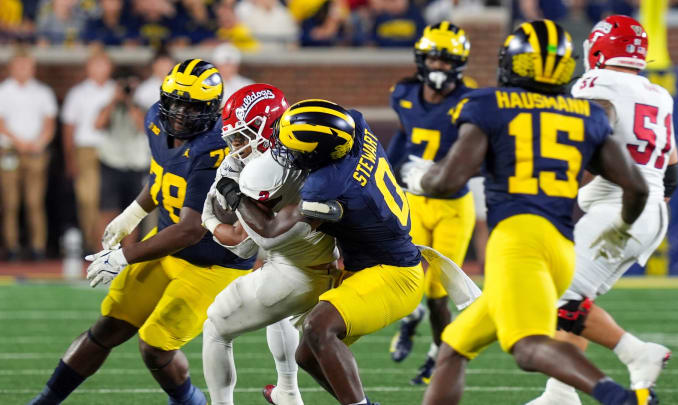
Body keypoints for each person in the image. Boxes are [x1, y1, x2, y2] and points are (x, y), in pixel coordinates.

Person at [408, 20, 657, 405]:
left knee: (526, 348)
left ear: (513, 63)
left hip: (517, 242)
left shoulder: (488, 105)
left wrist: (421, 178)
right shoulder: (586, 113)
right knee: (454, 347)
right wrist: (623, 227)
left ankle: (616, 397)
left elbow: (447, 181)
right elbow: (637, 186)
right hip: (560, 248)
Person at [29, 59, 255, 405]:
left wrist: (123, 256)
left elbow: (191, 230)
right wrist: (133, 213)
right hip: (168, 247)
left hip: (213, 263)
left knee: (154, 346)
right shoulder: (154, 120)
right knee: (108, 326)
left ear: (212, 108)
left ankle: (189, 400)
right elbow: (162, 180)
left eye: (191, 106)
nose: (179, 113)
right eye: (174, 102)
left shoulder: (215, 148)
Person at [527, 15, 677, 405]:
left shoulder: (596, 83)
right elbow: (671, 169)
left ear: (596, 48)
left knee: (559, 295)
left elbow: (598, 121)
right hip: (649, 209)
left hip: (621, 206)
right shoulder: (659, 94)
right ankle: (559, 393)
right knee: (576, 297)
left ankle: (636, 353)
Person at [235, 99, 423, 405]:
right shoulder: (356, 126)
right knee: (307, 355)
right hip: (380, 258)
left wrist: (234, 194)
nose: (283, 149)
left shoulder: (327, 185)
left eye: (292, 147)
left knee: (318, 328)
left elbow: (270, 233)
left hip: (393, 274)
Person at [200, 84, 342, 405]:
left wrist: (209, 220)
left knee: (215, 328)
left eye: (241, 137)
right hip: (332, 261)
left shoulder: (267, 172)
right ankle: (288, 392)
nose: (235, 146)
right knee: (278, 310)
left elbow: (242, 245)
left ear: (265, 130)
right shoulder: (309, 148)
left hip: (298, 273)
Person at [385, 21, 478, 385]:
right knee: (402, 276)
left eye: (446, 60)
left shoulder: (470, 102)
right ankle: (411, 318)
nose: (439, 66)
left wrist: (441, 171)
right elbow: (404, 135)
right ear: (422, 59)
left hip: (452, 205)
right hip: (413, 202)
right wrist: (390, 175)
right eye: (433, 59)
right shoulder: (405, 93)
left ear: (459, 63)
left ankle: (441, 359)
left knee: (439, 293)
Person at [0, 47, 57, 261]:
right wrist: (18, 141)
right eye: (19, 66)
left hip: (35, 151)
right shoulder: (3, 91)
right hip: (9, 151)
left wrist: (38, 143)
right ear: (11, 68)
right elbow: (1, 123)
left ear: (33, 68)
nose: (23, 70)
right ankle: (12, 247)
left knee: (35, 202)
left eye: (27, 66)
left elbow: (49, 124)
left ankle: (38, 247)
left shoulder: (42, 92)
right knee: (10, 202)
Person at [60, 50, 115, 252]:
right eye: (95, 64)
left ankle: (111, 243)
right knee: (87, 198)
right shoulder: (78, 93)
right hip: (86, 149)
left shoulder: (116, 90)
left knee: (111, 199)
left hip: (114, 149)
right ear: (88, 67)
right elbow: (69, 127)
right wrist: (70, 157)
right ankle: (91, 244)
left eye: (103, 64)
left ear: (110, 67)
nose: (100, 69)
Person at [94, 70, 150, 249]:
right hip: (111, 163)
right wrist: (114, 100)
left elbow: (142, 127)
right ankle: (102, 252)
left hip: (135, 165)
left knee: (132, 212)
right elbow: (98, 124)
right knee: (107, 210)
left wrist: (129, 103)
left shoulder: (141, 107)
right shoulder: (108, 106)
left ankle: (124, 254)